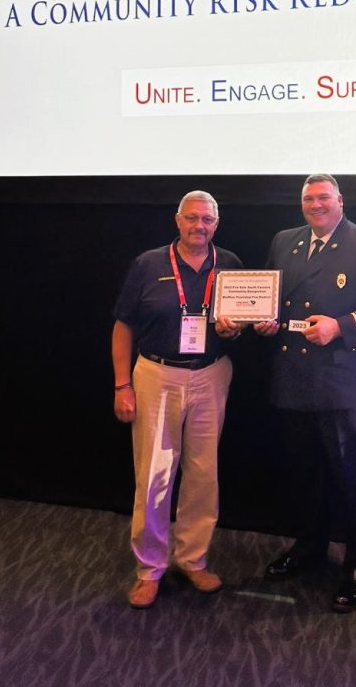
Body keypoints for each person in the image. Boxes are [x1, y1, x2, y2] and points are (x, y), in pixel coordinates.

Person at [254, 174, 356, 612]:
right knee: (304, 476)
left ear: (340, 200)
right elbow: (275, 299)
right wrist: (265, 320)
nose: (316, 204)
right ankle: (309, 548)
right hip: (294, 379)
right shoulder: (286, 241)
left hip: (345, 384)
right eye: (308, 198)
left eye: (324, 197)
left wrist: (340, 327)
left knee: (353, 481)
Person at [111, 190, 243, 609]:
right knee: (154, 474)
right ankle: (150, 568)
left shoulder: (232, 266)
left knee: (204, 472)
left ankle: (193, 558)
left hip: (211, 375)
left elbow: (236, 326)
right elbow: (123, 326)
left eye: (207, 220)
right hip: (156, 374)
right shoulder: (148, 264)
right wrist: (121, 385)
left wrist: (233, 330)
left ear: (216, 225)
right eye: (192, 218)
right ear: (177, 220)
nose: (198, 226)